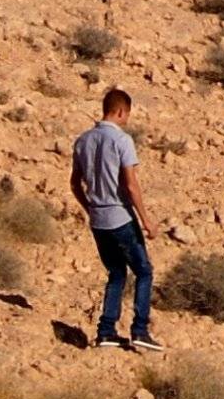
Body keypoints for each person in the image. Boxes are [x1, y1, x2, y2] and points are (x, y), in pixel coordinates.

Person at [68, 85, 159, 352]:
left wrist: (90, 208)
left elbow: (75, 184)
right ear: (121, 111)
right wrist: (146, 220)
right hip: (120, 217)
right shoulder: (122, 141)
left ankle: (106, 330)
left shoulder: (83, 140)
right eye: (127, 114)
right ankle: (139, 330)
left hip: (97, 220)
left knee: (116, 273)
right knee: (143, 271)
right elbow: (130, 185)